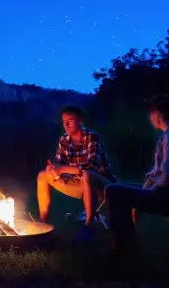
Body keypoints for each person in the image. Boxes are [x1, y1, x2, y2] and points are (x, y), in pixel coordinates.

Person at [103, 94, 169, 255]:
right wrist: (144, 191)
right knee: (116, 187)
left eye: (151, 113)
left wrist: (145, 196)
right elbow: (156, 173)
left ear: (158, 114)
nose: (150, 117)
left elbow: (166, 180)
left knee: (114, 191)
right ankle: (123, 242)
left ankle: (123, 246)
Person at [37, 104, 116, 243]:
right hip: (79, 183)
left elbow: (91, 167)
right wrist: (53, 168)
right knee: (43, 175)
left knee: (87, 175)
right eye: (64, 121)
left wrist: (62, 169)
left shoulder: (92, 137)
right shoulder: (64, 140)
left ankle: (89, 226)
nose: (66, 124)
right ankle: (43, 223)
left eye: (70, 120)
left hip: (102, 185)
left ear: (80, 120)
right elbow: (58, 164)